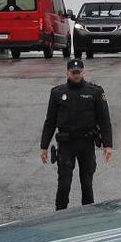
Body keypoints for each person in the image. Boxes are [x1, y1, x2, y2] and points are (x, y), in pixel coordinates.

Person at [40, 59, 113, 210]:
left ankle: (88, 218)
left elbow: (104, 120)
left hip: (86, 143)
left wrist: (107, 145)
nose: (76, 75)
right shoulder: (57, 93)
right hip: (66, 144)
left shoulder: (95, 92)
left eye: (79, 72)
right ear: (67, 73)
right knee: (64, 185)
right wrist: (44, 146)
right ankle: (60, 216)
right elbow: (50, 121)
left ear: (83, 72)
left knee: (87, 184)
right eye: (73, 72)